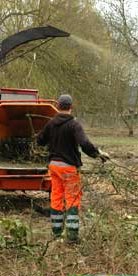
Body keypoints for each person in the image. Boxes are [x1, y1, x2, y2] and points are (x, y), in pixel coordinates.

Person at [37, 94, 110, 243]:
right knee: (72, 200)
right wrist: (97, 154)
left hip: (54, 166)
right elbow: (84, 144)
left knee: (56, 198)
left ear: (58, 106)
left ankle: (56, 233)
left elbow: (40, 141)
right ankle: (72, 236)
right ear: (71, 107)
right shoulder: (74, 124)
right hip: (69, 168)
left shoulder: (51, 123)